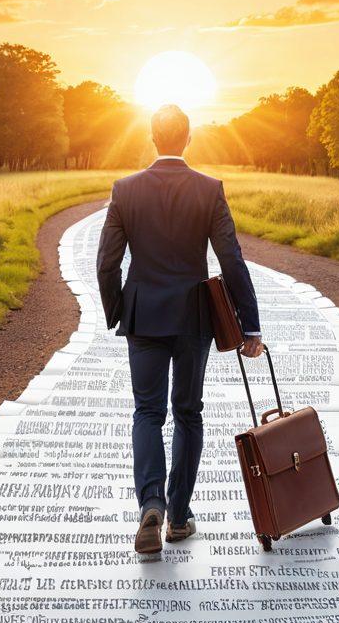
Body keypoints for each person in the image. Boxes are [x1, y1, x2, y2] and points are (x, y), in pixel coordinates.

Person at [96, 103, 262, 554]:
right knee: (188, 413)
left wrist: (118, 311)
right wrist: (251, 326)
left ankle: (150, 504)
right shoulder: (209, 190)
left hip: (143, 316)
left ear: (152, 138)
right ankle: (179, 516)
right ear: (188, 139)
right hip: (193, 318)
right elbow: (231, 261)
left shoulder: (125, 190)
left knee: (147, 413)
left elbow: (107, 263)